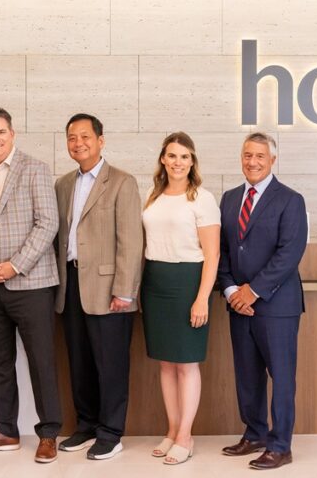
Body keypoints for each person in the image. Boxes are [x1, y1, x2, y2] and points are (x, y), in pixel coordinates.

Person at [0, 107, 62, 464]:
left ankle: (49, 433)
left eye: (1, 131)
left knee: (41, 361)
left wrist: (14, 266)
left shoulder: (35, 169)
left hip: (30, 284)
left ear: (12, 134)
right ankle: (6, 429)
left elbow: (47, 223)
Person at [53, 114, 142, 461]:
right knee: (79, 360)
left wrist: (125, 290)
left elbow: (131, 242)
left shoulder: (122, 182)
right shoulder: (63, 184)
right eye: (72, 138)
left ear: (101, 140)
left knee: (111, 363)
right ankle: (87, 425)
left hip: (109, 288)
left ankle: (111, 431)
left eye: (85, 137)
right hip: (71, 283)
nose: (79, 143)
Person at [218, 132, 307, 471]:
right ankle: (254, 433)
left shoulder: (290, 200)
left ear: (272, 159)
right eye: (246, 155)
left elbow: (289, 254)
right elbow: (223, 251)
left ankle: (280, 445)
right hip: (237, 304)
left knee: (281, 376)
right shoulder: (228, 199)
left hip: (276, 305)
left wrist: (251, 291)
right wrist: (230, 291)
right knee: (247, 373)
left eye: (259, 156)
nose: (252, 162)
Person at [140, 132, 220, 465]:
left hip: (188, 282)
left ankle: (186, 436)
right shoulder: (152, 194)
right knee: (165, 363)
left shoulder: (201, 198)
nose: (177, 162)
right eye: (172, 156)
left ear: (192, 161)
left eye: (184, 156)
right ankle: (172, 430)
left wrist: (201, 299)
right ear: (163, 159)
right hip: (155, 281)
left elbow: (212, 255)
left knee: (186, 364)